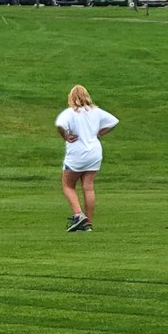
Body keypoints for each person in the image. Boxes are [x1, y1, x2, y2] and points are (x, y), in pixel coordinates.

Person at [55, 85, 119, 232]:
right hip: (94, 153)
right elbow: (114, 121)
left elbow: (59, 125)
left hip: (77, 153)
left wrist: (65, 136)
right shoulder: (96, 112)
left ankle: (79, 215)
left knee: (68, 185)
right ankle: (87, 223)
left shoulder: (70, 113)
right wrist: (100, 133)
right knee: (88, 186)